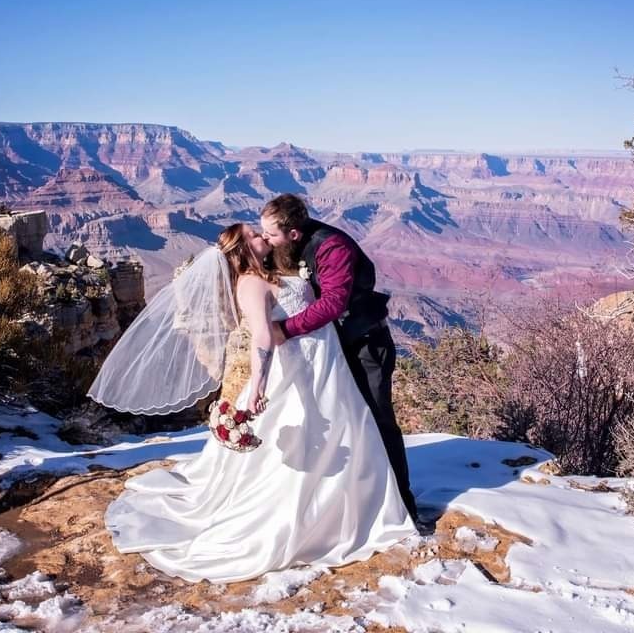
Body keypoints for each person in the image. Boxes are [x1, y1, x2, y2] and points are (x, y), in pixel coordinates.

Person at [88, 223, 416, 583]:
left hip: (325, 363)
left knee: (349, 426)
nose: (261, 234)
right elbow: (262, 336)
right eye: (253, 234)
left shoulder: (271, 269)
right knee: (311, 443)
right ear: (243, 249)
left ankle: (358, 504)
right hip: (299, 371)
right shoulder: (249, 284)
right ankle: (318, 518)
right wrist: (257, 387)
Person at [260, 194, 419, 523]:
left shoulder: (332, 247)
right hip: (330, 348)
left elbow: (333, 302)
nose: (265, 240)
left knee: (377, 419)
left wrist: (286, 329)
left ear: (293, 234)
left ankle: (402, 505)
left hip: (365, 345)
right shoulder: (286, 245)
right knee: (341, 421)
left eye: (270, 235)